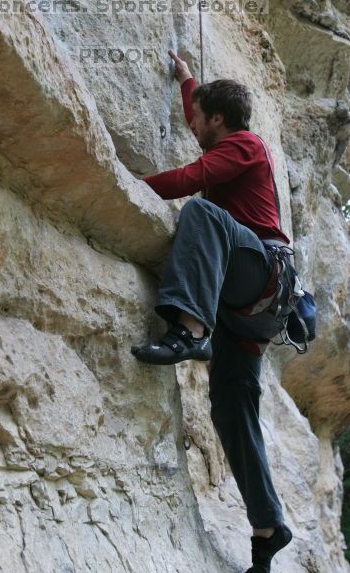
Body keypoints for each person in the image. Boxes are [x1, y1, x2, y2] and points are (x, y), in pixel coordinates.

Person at [131, 50, 293, 573]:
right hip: (249, 310)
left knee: (200, 208)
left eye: (198, 116)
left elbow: (187, 178)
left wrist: (128, 188)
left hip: (260, 275)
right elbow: (197, 116)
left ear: (217, 119)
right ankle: (268, 529)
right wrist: (186, 81)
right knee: (230, 406)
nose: (192, 123)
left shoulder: (245, 145)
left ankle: (188, 331)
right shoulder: (226, 135)